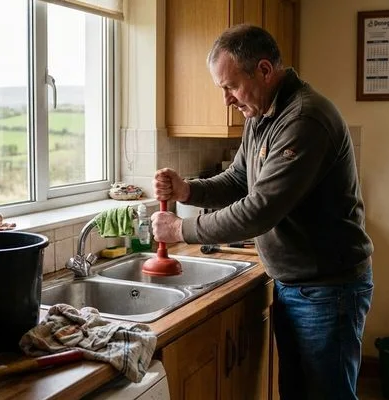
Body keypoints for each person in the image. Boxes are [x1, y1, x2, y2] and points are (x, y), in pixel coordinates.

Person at [150, 24, 374, 399]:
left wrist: (180, 231)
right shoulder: (260, 114)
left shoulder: (304, 119)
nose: (227, 100)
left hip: (328, 290)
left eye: (230, 86)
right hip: (295, 284)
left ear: (265, 71)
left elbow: (259, 211)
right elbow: (240, 178)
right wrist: (188, 190)